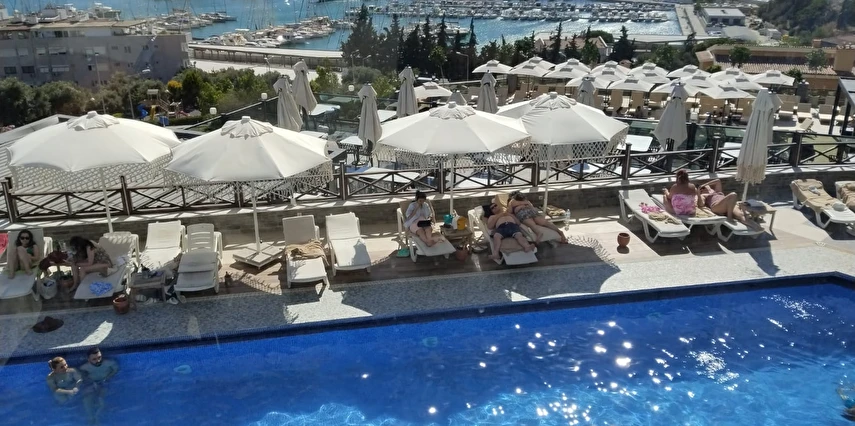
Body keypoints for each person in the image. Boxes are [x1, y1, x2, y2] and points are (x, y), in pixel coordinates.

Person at [79, 347, 119, 425]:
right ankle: (91, 418)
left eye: (99, 357)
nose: (98, 361)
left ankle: (97, 417)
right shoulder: (85, 367)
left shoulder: (109, 363)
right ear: (88, 360)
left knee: (100, 399)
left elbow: (115, 369)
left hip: (104, 382)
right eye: (94, 359)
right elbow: (83, 376)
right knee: (86, 399)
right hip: (92, 383)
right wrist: (91, 382)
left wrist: (108, 377)